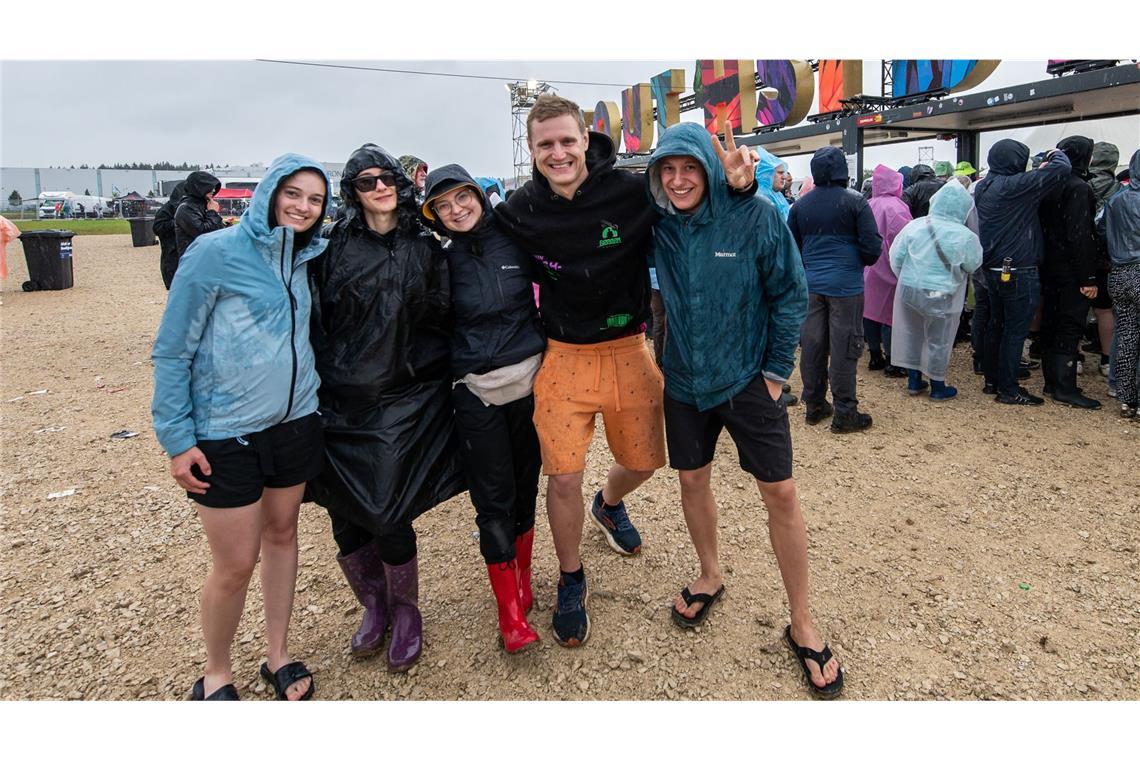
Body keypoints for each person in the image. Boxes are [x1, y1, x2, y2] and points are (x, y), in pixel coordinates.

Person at [493, 93, 758, 647]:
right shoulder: (519, 209)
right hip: (563, 355)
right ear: (531, 148)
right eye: (546, 144)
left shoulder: (634, 189)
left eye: (568, 140)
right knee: (561, 475)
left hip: (630, 347)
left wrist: (739, 189)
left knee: (645, 461)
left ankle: (609, 504)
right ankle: (571, 577)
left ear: (586, 138)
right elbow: (474, 245)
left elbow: (698, 216)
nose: (559, 153)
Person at [647, 122, 842, 699]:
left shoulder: (755, 215)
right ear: (657, 177)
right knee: (691, 479)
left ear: (709, 167)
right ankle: (710, 572)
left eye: (690, 167)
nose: (679, 180)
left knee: (780, 493)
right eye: (668, 170)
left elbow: (791, 292)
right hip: (683, 380)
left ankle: (802, 619)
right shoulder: (657, 225)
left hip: (748, 379)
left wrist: (778, 373)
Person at [151, 154, 330, 701]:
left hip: (294, 422)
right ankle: (216, 673)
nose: (303, 207)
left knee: (283, 537)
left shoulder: (305, 256)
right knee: (234, 563)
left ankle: (277, 654)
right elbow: (172, 350)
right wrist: (178, 440)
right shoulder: (215, 252)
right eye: (293, 193)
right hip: (225, 431)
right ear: (271, 192)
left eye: (315, 200)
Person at [306, 144, 464, 672]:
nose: (380, 187)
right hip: (337, 402)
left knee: (390, 508)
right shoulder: (331, 250)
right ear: (352, 191)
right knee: (342, 512)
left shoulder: (426, 247)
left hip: (402, 398)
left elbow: (446, 318)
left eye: (387, 178)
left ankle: (407, 610)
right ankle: (374, 606)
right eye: (367, 181)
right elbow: (310, 318)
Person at [420, 164, 544, 653]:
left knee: (527, 486)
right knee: (492, 498)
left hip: (531, 385)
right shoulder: (438, 261)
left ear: (479, 194)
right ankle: (510, 615)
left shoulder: (515, 241)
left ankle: (525, 580)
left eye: (462, 197)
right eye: (443, 205)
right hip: (476, 392)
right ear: (433, 215)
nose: (456, 210)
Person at [787, 146, 882, 433]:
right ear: (843, 170)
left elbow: (791, 247)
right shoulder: (856, 202)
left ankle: (814, 406)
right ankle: (845, 413)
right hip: (846, 287)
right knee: (844, 347)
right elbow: (872, 248)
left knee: (813, 345)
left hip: (811, 286)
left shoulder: (800, 205)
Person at [974, 140, 1071, 405]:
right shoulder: (1015, 186)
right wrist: (1053, 153)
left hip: (992, 268)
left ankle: (992, 381)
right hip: (1018, 268)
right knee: (1015, 331)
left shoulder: (984, 185)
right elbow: (1062, 169)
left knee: (997, 325)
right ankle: (1009, 389)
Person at [889, 181, 982, 400]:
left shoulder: (914, 226)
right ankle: (937, 386)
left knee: (912, 333)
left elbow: (896, 257)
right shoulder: (965, 236)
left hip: (909, 289)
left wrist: (906, 278)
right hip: (942, 294)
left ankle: (913, 380)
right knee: (938, 339)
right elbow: (973, 264)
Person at [1038, 136, 1101, 409]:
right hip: (1071, 269)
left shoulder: (1048, 184)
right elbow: (1081, 235)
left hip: (1046, 264)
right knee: (1070, 325)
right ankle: (1065, 387)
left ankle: (1051, 381)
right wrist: (1088, 276)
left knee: (1051, 323)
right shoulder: (1079, 187)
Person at [863, 165, 913, 375]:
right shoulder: (898, 207)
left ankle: (875, 355)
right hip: (890, 266)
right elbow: (906, 239)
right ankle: (894, 361)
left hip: (868, 267)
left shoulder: (866, 204)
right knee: (890, 315)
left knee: (870, 312)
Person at [1103, 148, 1140, 418]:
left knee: (1127, 335)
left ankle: (1127, 397)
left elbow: (1100, 228)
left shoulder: (1116, 200)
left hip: (1119, 273)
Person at [1090, 142, 1124, 389]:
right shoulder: (1118, 191)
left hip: (1076, 258)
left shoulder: (1082, 184)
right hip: (1107, 260)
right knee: (1105, 311)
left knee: (1074, 310)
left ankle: (1073, 358)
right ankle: (1106, 360)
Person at [174, 171, 223, 260]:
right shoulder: (186, 208)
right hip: (193, 260)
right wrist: (212, 213)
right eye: (210, 187)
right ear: (200, 187)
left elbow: (216, 232)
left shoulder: (204, 205)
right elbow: (203, 234)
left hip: (206, 257)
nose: (213, 190)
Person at [153, 181, 186, 290]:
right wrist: (179, 222)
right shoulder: (166, 210)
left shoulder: (194, 208)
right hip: (172, 256)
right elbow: (157, 228)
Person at [753, 147, 790, 221]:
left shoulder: (776, 194)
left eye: (784, 173)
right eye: (780, 173)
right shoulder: (761, 196)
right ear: (767, 174)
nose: (784, 177)